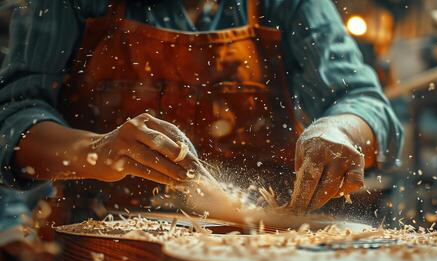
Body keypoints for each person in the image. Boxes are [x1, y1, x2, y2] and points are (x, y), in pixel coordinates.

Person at [0, 0, 403, 223]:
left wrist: (339, 131)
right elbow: (12, 121)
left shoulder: (290, 5)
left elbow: (363, 101)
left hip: (264, 246)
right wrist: (99, 150)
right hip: (102, 243)